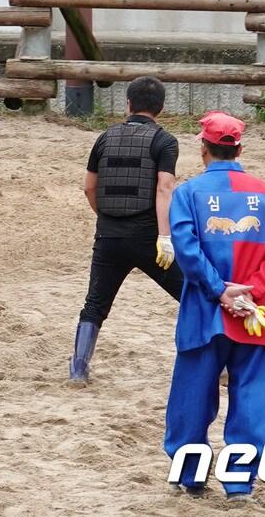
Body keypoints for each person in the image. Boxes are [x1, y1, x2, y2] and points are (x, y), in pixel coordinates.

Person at [165, 111, 265, 501]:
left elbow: (186, 250)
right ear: (239, 148)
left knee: (192, 394)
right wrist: (251, 290)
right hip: (257, 315)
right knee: (255, 395)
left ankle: (190, 476)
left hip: (206, 313)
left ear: (203, 149)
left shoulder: (188, 193)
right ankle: (240, 484)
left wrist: (220, 290)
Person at [69, 75, 183, 386]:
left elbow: (89, 187)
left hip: (108, 237)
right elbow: (165, 189)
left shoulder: (104, 137)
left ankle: (78, 367)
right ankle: (220, 363)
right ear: (160, 108)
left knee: (95, 305)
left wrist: (106, 217)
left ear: (128, 104)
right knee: (191, 295)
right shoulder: (165, 141)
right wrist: (165, 237)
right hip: (148, 238)